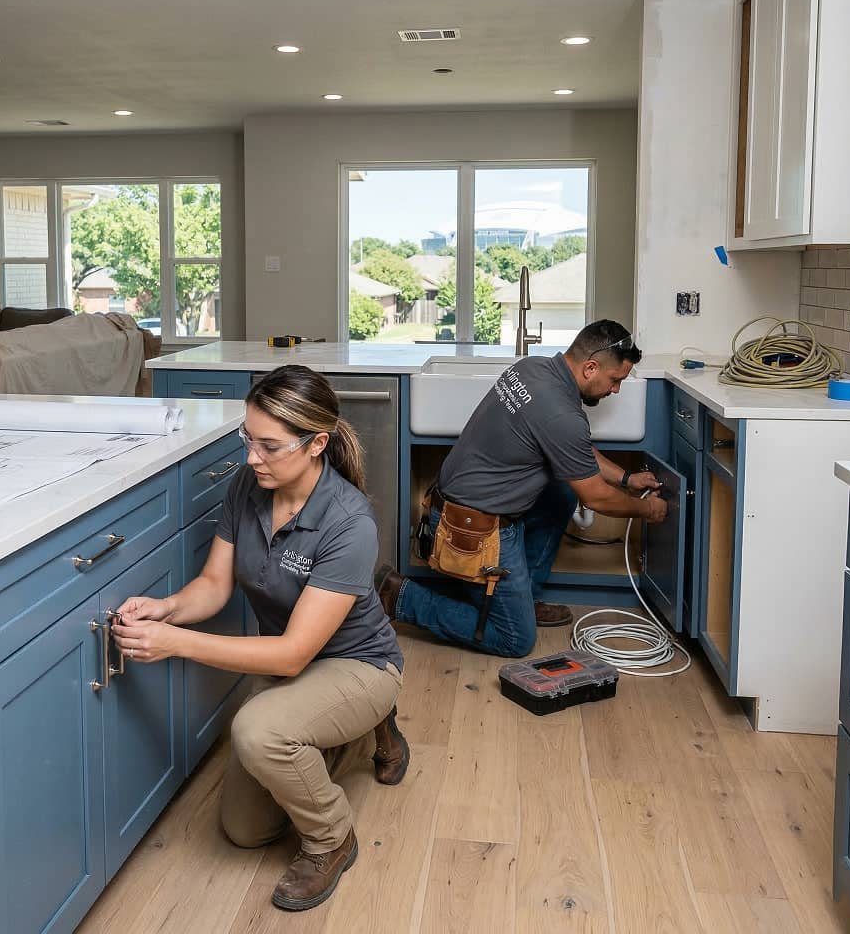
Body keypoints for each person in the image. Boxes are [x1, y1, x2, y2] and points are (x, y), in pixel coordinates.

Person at [111, 365, 408, 912]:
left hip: (357, 663)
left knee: (257, 730)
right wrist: (168, 609)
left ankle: (333, 837)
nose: (252, 457)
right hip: (290, 664)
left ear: (317, 443)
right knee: (246, 830)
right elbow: (214, 586)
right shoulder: (249, 486)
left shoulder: (349, 521)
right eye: (249, 439)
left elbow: (294, 654)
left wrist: (175, 643)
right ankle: (342, 731)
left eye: (270, 446)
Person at [375, 320, 668, 658]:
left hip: (455, 503)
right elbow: (595, 495)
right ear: (590, 368)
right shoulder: (561, 414)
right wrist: (647, 509)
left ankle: (522, 598)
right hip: (474, 529)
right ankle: (402, 597)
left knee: (561, 491)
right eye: (615, 380)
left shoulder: (533, 368)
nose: (615, 389)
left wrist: (627, 479)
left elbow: (573, 449)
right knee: (515, 639)